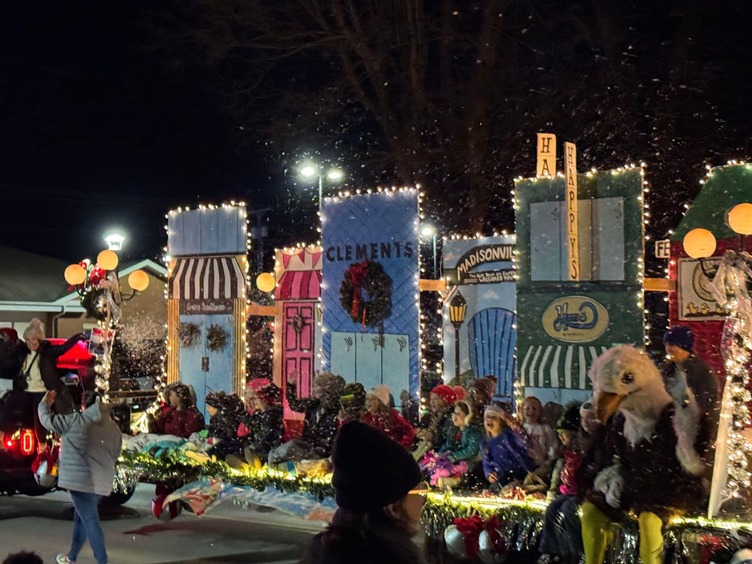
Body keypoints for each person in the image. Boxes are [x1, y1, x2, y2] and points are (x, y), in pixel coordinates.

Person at [301, 421, 427, 564]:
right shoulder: (395, 557)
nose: (422, 503)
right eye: (420, 494)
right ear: (392, 508)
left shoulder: (326, 549)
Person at [38, 390, 122, 564]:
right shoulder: (113, 427)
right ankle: (71, 556)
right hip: (100, 480)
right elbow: (115, 453)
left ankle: (102, 560)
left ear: (85, 405)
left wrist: (45, 404)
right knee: (82, 517)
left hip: (79, 481)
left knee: (89, 519)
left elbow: (47, 420)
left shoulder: (75, 421)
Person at [662, 325, 720, 464]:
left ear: (684, 346)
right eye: (667, 344)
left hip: (694, 430)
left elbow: (708, 403)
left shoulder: (702, 370)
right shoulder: (667, 369)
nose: (669, 348)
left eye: (673, 344)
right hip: (672, 430)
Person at [23, 319, 85, 441]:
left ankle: (68, 442)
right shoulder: (25, 354)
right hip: (35, 393)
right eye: (27, 340)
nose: (30, 343)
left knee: (64, 420)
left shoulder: (47, 352)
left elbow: (63, 348)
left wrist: (77, 337)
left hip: (54, 392)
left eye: (33, 339)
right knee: (41, 421)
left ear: (40, 339)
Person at [421, 399, 483, 487]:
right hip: (453, 460)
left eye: (459, 414)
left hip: (469, 463)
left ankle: (455, 481)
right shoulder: (453, 430)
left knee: (450, 470)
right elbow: (447, 445)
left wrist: (454, 457)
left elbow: (471, 451)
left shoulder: (473, 432)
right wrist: (439, 456)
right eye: (454, 413)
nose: (454, 416)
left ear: (468, 416)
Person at [480, 403, 534, 491]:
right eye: (487, 417)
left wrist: (514, 426)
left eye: (493, 417)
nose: (489, 420)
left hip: (517, 473)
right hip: (500, 476)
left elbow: (526, 442)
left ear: (500, 421)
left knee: (502, 487)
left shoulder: (509, 435)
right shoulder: (485, 442)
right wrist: (489, 473)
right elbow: (486, 462)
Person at [362, 384, 415, 449]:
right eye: (367, 399)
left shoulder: (392, 416)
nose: (368, 402)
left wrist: (399, 447)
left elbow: (409, 431)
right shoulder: (364, 418)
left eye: (372, 399)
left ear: (380, 402)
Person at [520, 396, 560, 473]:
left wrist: (547, 464)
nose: (531, 411)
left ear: (539, 411)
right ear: (522, 411)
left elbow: (552, 448)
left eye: (534, 409)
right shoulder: (518, 428)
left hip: (539, 466)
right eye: (527, 408)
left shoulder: (545, 429)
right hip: (521, 466)